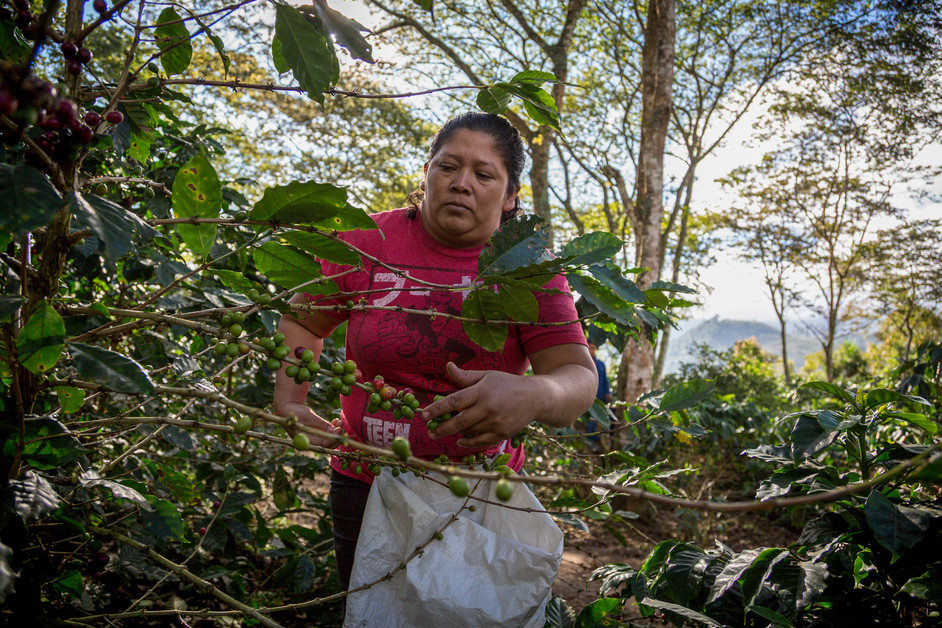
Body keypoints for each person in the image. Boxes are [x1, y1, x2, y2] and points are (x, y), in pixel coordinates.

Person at [273, 112, 598, 593]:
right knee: (369, 610)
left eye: (484, 174)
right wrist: (291, 401)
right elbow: (303, 319)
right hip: (366, 480)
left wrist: (535, 394)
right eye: (447, 166)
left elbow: (577, 375)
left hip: (475, 490)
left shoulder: (531, 269)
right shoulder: (366, 243)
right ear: (426, 173)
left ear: (510, 198)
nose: (461, 183)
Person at [585, 343, 612, 449]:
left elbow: (605, 379)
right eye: (590, 348)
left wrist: (607, 393)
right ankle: (593, 441)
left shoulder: (600, 364)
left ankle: (603, 440)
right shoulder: (583, 363)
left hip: (600, 396)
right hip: (589, 397)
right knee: (591, 419)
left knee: (602, 417)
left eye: (593, 348)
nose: (592, 350)